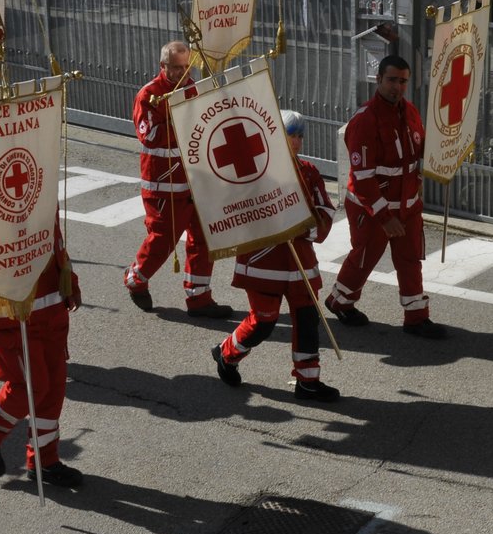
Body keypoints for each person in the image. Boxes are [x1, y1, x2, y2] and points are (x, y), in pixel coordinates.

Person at [212, 110, 340, 402]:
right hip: (262, 260)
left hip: (300, 262)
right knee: (264, 321)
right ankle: (227, 354)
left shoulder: (309, 170)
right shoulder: (253, 174)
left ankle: (308, 381)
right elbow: (237, 213)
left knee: (308, 319)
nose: (295, 141)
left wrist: (303, 228)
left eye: (299, 136)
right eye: (290, 134)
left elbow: (325, 210)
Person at [325, 53, 444, 338]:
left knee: (410, 258)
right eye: (392, 80)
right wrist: (384, 216)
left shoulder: (411, 111)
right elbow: (363, 179)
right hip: (372, 208)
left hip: (407, 205)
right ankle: (340, 301)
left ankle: (416, 316)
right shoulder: (365, 120)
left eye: (403, 81)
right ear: (378, 79)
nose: (397, 87)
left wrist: (447, 154)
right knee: (365, 257)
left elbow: (420, 149)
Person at [0, 228, 83, 487]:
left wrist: (69, 281)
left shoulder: (41, 191)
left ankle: (45, 461)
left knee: (52, 390)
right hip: (10, 317)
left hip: (50, 309)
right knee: (30, 387)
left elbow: (55, 241)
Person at [123, 40, 232, 318]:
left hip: (197, 180)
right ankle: (136, 279)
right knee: (162, 240)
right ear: (163, 66)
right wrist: (184, 122)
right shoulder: (149, 95)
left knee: (203, 239)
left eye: (186, 67)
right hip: (164, 184)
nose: (182, 73)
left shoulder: (194, 89)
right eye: (176, 67)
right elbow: (150, 136)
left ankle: (199, 298)